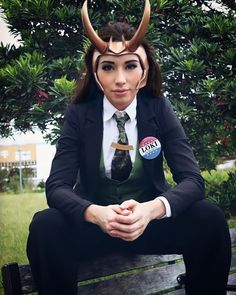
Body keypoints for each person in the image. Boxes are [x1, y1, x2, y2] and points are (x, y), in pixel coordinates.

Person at [26, 0, 231, 294]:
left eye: (131, 66)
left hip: (149, 225)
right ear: (96, 75)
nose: (120, 80)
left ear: (144, 72)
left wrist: (151, 210)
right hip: (95, 228)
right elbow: (56, 186)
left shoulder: (158, 108)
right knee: (45, 226)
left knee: (209, 217)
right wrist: (95, 213)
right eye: (108, 67)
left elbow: (193, 181)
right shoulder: (79, 113)